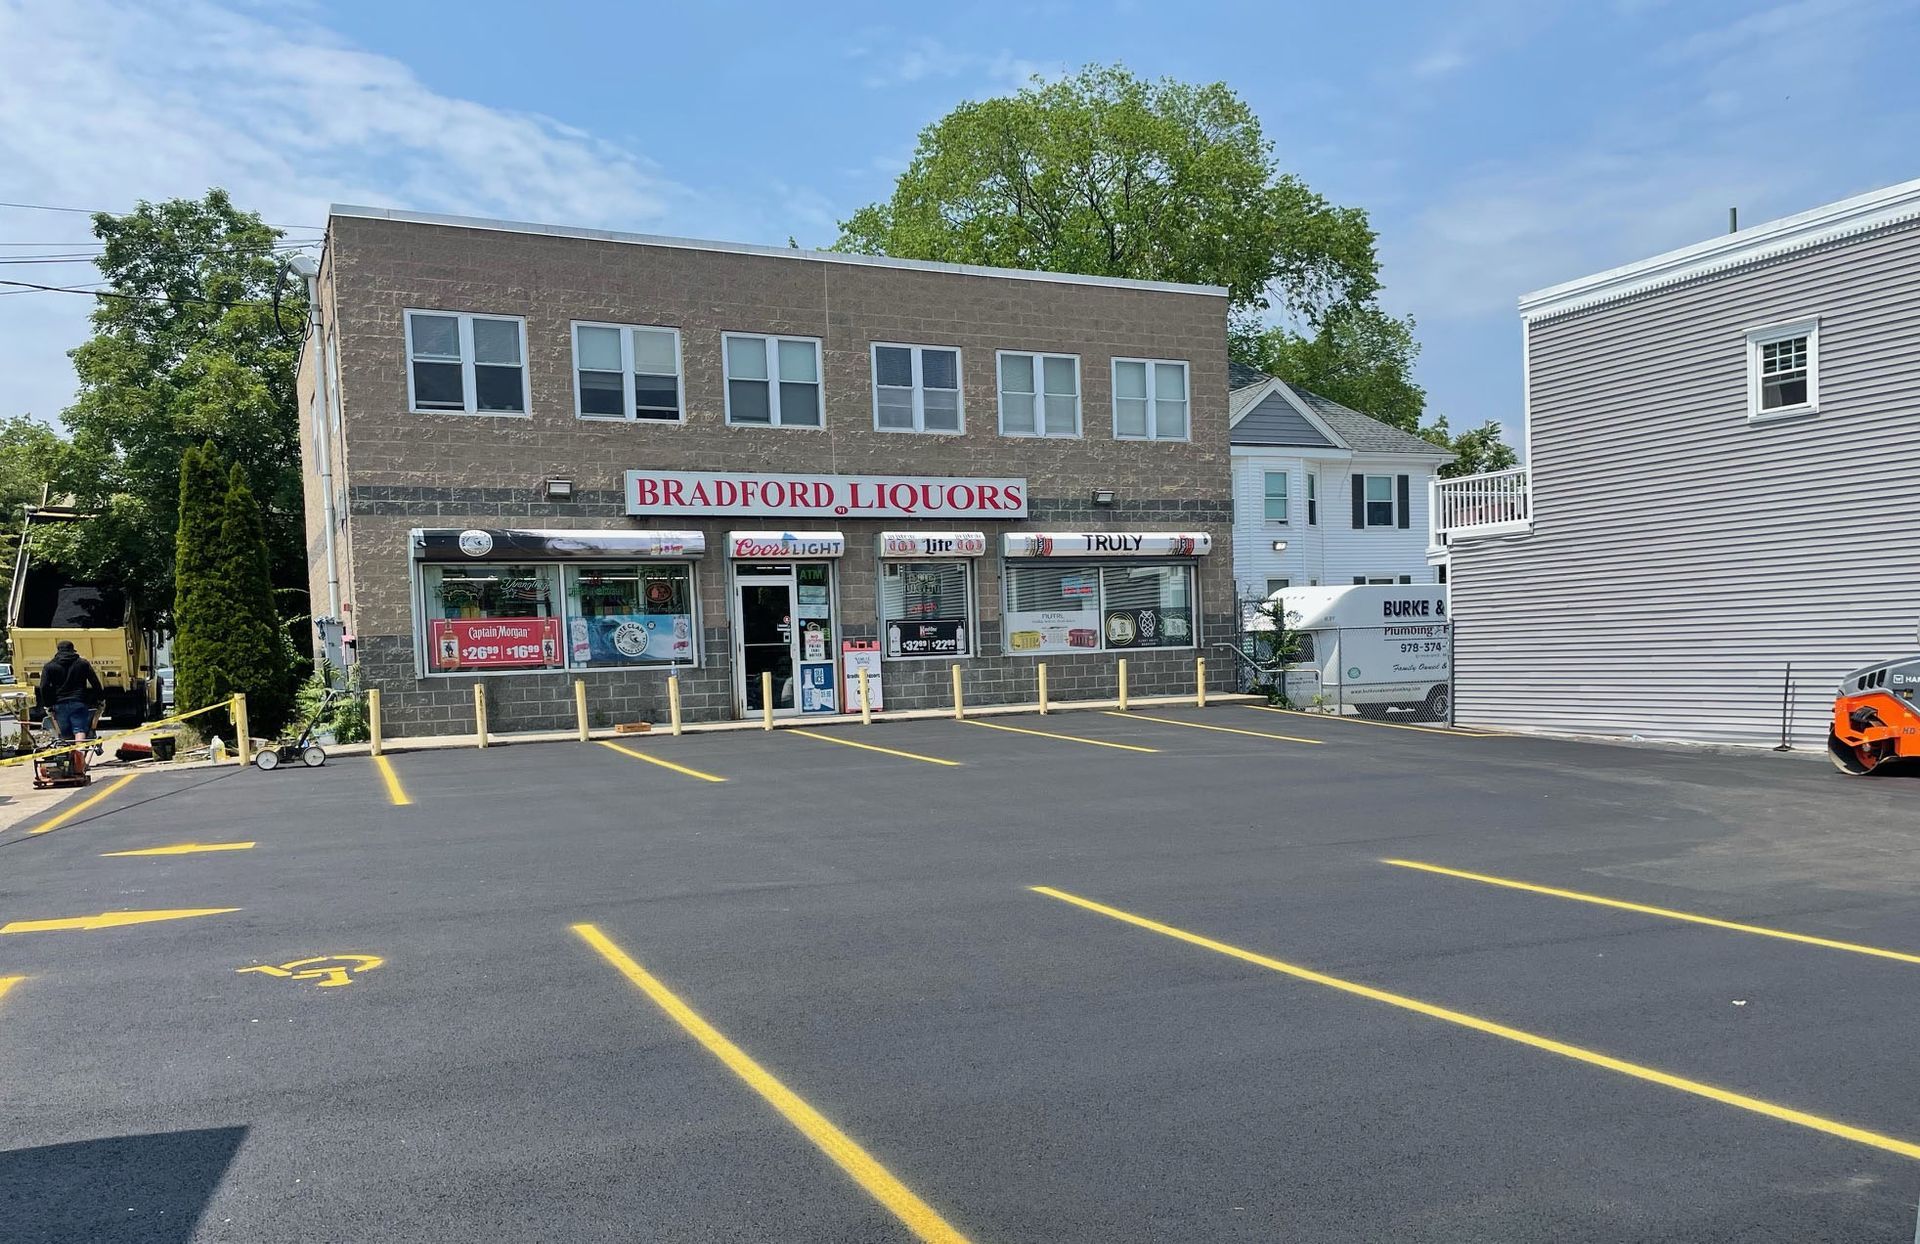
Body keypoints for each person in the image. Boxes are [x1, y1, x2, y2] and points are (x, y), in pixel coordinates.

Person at [38, 640, 103, 744]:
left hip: (59, 705)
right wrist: (100, 698)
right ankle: (80, 755)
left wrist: (48, 704)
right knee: (79, 730)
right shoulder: (82, 663)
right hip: (79, 702)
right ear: (72, 650)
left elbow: (44, 687)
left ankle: (70, 757)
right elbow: (95, 682)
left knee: (64, 735)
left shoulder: (49, 666)